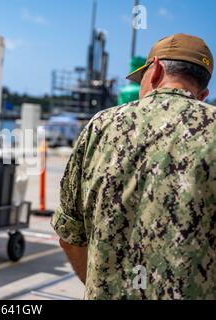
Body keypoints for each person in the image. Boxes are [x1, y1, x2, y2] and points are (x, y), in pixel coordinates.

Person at [51, 34, 215, 299]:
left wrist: (98, 286)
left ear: (156, 71)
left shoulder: (100, 127)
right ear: (204, 94)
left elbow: (69, 235)